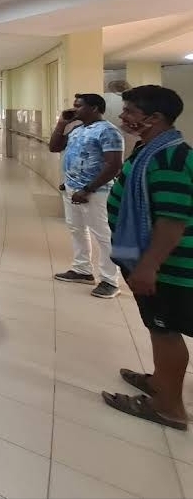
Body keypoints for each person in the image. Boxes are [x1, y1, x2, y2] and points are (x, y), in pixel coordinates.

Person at [102, 85, 193, 431]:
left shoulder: (171, 158)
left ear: (154, 118)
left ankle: (168, 406)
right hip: (152, 260)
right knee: (159, 329)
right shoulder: (152, 150)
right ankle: (160, 382)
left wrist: (149, 265)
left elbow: (172, 220)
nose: (123, 117)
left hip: (168, 266)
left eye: (129, 112)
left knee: (165, 330)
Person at [48, 93, 124, 298]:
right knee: (76, 229)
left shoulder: (108, 131)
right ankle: (82, 269)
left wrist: (88, 188)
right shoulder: (77, 129)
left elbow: (114, 165)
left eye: (79, 106)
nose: (74, 110)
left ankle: (110, 280)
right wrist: (61, 123)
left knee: (103, 234)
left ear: (95, 108)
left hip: (96, 192)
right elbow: (54, 147)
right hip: (73, 188)